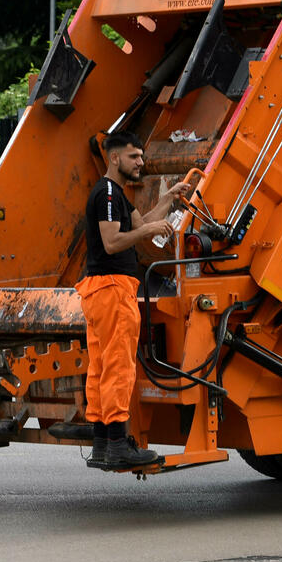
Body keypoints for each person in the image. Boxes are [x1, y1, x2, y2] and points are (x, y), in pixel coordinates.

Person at [79, 131, 191, 468]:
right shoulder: (107, 193)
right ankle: (118, 445)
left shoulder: (116, 194)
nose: (141, 162)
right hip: (112, 290)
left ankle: (102, 443)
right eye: (134, 157)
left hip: (102, 290)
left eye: (141, 156)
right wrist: (146, 232)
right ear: (114, 158)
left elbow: (144, 222)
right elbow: (113, 242)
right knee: (118, 367)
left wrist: (168, 198)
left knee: (101, 367)